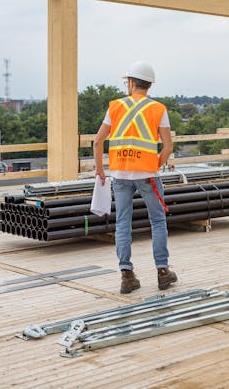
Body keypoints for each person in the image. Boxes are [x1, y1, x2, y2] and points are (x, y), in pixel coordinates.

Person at [94, 61, 178, 294]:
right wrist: (155, 165)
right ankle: (163, 272)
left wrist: (100, 169)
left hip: (119, 174)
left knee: (123, 222)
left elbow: (98, 140)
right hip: (147, 175)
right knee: (158, 221)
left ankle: (126, 275)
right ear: (149, 85)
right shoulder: (158, 109)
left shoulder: (115, 107)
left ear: (131, 83)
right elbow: (168, 147)